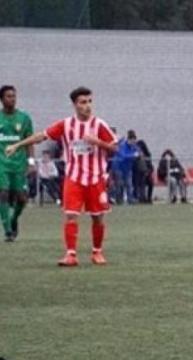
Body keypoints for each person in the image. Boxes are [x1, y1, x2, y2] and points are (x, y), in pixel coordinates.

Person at [6, 87, 117, 266]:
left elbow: (114, 148)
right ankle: (71, 255)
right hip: (73, 178)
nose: (88, 106)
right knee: (71, 215)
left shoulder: (99, 125)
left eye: (89, 101)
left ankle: (97, 252)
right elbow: (41, 136)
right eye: (83, 102)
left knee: (97, 217)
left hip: (95, 178)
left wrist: (98, 142)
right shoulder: (65, 125)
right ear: (74, 105)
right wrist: (18, 145)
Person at [0, 85, 35, 242]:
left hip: (19, 165)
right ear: (2, 99)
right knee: (3, 193)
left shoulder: (24, 118)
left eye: (13, 96)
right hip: (2, 164)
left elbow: (29, 141)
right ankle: (7, 229)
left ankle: (14, 220)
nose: (12, 99)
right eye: (8, 96)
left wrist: (31, 162)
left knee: (21, 198)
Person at [113, 130, 139, 204]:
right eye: (132, 141)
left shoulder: (134, 146)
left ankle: (130, 199)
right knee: (119, 184)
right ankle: (119, 199)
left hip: (128, 169)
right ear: (129, 139)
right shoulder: (122, 145)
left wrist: (137, 154)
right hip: (119, 168)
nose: (134, 143)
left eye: (135, 141)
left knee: (129, 184)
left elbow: (138, 152)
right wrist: (133, 155)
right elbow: (123, 156)